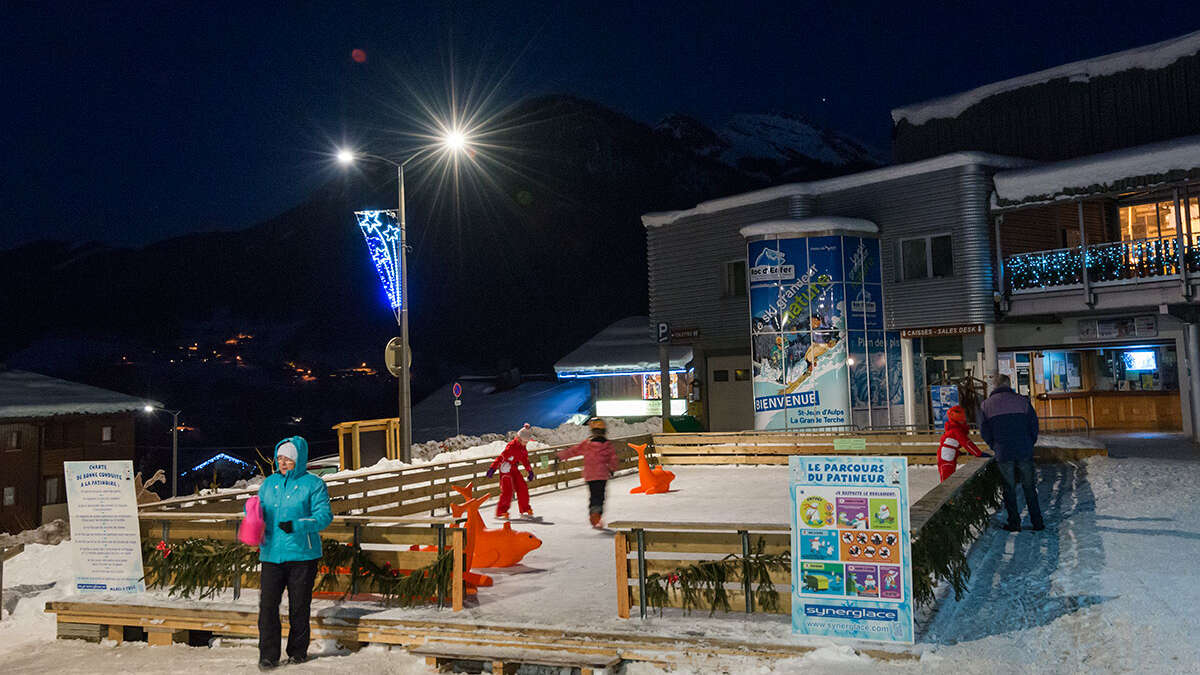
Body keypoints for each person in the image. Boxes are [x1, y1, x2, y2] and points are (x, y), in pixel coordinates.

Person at [256, 436, 332, 670]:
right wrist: (253, 518)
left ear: (298, 460)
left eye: (288, 458)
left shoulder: (314, 484)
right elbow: (259, 512)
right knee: (268, 606)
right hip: (271, 555)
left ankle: (298, 652)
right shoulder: (269, 484)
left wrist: (298, 524)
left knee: (299, 606)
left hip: (303, 555)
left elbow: (324, 517)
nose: (283, 462)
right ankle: (268, 655)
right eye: (280, 458)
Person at [980, 374, 1044, 532]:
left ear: (995, 386)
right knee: (1029, 487)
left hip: (1003, 451)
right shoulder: (1023, 401)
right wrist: (1030, 442)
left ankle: (1014, 523)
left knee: (1009, 488)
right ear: (1009, 385)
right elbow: (1034, 425)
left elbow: (984, 430)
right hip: (1024, 450)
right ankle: (1037, 522)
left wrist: (994, 445)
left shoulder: (986, 405)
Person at [557, 418, 618, 528]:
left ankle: (594, 514)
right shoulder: (607, 445)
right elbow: (613, 458)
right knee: (599, 496)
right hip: (602, 475)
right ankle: (596, 515)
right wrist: (612, 468)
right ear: (604, 431)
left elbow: (574, 450)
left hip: (590, 475)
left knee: (594, 495)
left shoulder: (587, 444)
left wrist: (561, 455)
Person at [487, 423, 536, 519]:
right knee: (507, 491)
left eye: (527, 442)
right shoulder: (511, 447)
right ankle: (501, 512)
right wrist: (492, 468)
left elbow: (525, 460)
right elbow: (500, 457)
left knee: (522, 487)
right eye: (524, 441)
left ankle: (525, 508)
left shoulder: (523, 448)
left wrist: (529, 471)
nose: (526, 443)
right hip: (505, 469)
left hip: (514, 468)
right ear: (519, 439)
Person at [936, 404, 983, 482]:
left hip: (948, 454)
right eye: (962, 418)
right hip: (946, 456)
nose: (964, 420)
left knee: (949, 476)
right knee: (947, 479)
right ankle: (948, 493)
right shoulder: (956, 430)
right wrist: (978, 454)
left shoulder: (955, 429)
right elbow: (967, 443)